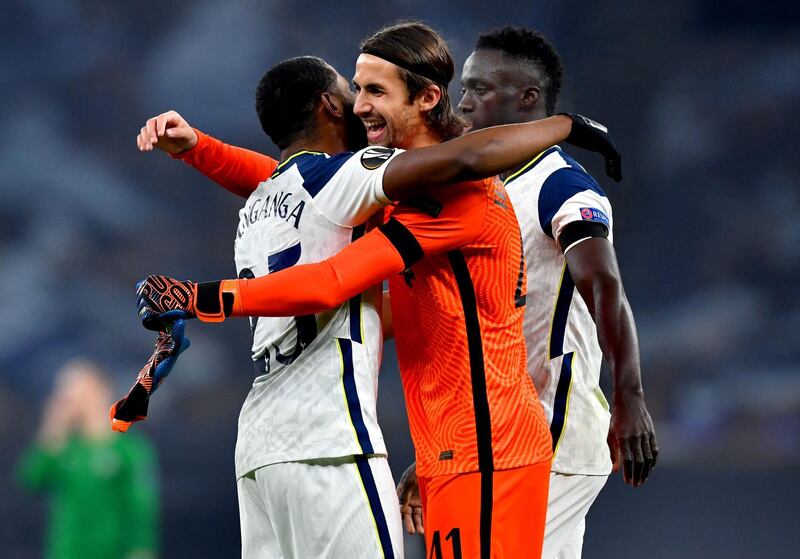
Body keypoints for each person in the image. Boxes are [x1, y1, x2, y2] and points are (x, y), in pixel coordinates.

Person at [133, 47, 618, 558]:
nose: (361, 105)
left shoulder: (451, 194)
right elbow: (338, 260)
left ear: (426, 98)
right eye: (356, 89)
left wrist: (199, 157)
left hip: (469, 445)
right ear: (330, 105)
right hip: (346, 444)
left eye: (375, 91)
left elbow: (461, 163)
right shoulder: (353, 184)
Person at [452, 26, 658, 558]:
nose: (464, 101)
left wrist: (629, 397)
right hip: (501, 431)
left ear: (528, 98)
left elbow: (602, 281)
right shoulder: (482, 189)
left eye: (480, 88)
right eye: (464, 87)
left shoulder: (559, 183)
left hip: (555, 428)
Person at [16, 360, 159, 559]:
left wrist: (140, 550)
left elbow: (139, 508)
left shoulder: (128, 450)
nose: (69, 398)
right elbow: (32, 480)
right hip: (67, 552)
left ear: (100, 391)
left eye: (76, 389)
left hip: (112, 553)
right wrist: (52, 430)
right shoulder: (64, 448)